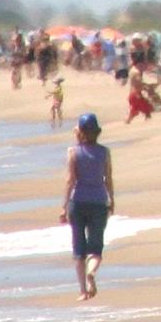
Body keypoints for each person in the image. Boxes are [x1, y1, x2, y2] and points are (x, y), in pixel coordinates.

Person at [59, 113, 114, 301]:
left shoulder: (73, 152)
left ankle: (83, 291)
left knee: (78, 249)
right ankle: (92, 273)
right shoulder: (104, 152)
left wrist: (64, 206)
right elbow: (108, 179)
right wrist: (111, 200)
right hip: (99, 201)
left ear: (80, 132)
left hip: (78, 202)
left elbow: (70, 181)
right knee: (96, 249)